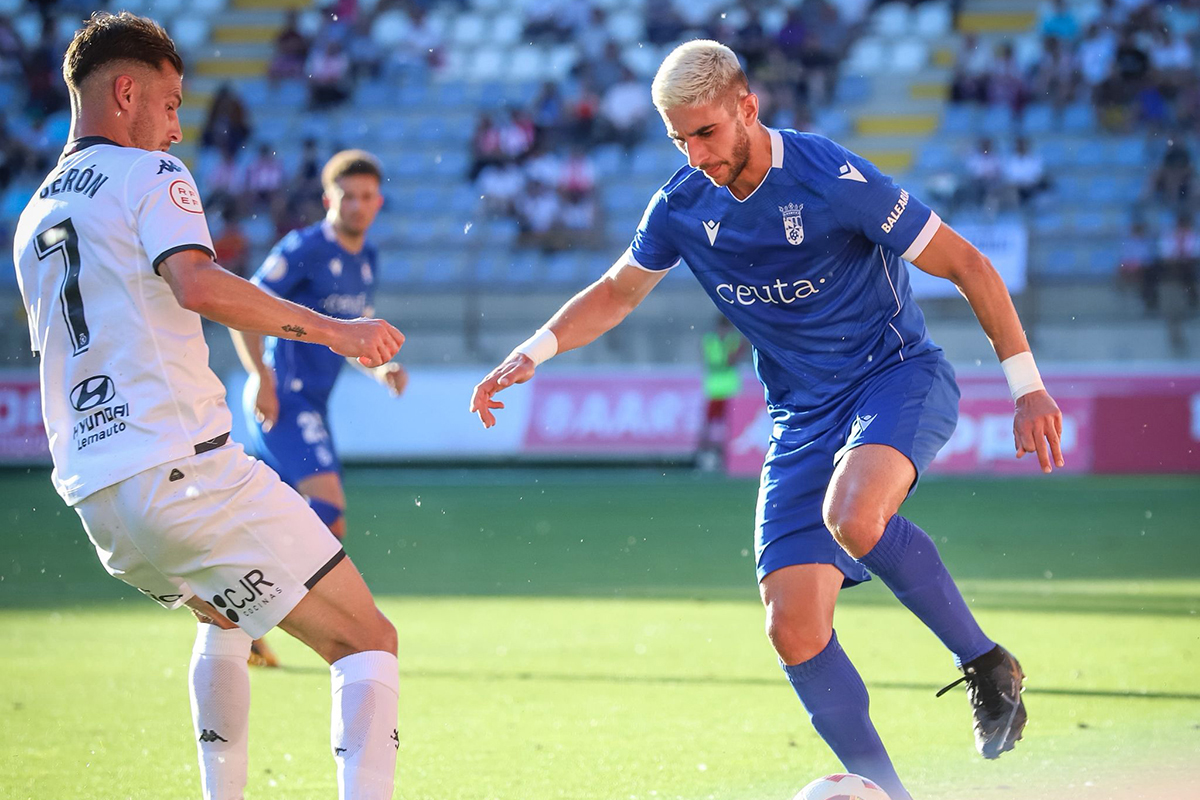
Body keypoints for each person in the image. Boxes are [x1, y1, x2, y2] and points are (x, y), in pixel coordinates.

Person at [470, 40, 1064, 800]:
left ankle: (985, 663)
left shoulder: (830, 177)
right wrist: (534, 350)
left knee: (854, 514)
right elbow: (618, 291)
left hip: (896, 378)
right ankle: (890, 794)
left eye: (706, 133)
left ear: (746, 107)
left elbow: (968, 264)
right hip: (801, 418)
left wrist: (1028, 387)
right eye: (678, 139)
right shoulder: (682, 204)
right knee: (792, 627)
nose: (694, 155)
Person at [13, 13, 404, 799]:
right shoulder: (148, 176)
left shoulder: (32, 217)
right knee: (369, 640)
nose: (177, 126)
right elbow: (196, 283)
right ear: (126, 91)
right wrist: (335, 331)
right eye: (169, 103)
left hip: (99, 501)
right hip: (180, 469)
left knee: (221, 618)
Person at [233, 149, 407, 545]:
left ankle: (245, 593)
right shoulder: (305, 248)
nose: (358, 206)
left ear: (378, 202)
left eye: (367, 197)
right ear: (329, 200)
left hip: (315, 405)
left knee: (290, 523)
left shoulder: (367, 258)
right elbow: (244, 307)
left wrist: (380, 368)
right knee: (328, 515)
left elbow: (353, 334)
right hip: (284, 398)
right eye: (348, 196)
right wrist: (261, 376)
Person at [697, 315, 744, 471]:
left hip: (730, 389)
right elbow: (717, 361)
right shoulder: (711, 340)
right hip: (715, 388)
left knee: (730, 426)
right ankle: (704, 456)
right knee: (709, 425)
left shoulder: (733, 339)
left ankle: (727, 457)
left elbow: (734, 359)